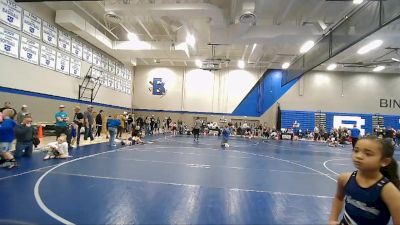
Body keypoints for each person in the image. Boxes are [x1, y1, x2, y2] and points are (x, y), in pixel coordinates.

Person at [328, 136, 400, 225]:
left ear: (384, 161)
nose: (359, 156)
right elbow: (338, 198)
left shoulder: (389, 191)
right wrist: (332, 220)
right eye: (356, 150)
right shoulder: (344, 179)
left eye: (368, 154)